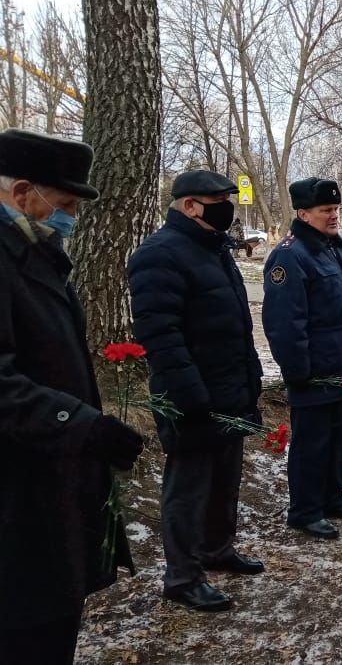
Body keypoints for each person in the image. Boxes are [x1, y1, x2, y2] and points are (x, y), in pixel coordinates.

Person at [0, 129, 145, 664]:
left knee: (52, 620)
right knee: (26, 628)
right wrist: (79, 423)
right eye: (61, 206)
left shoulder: (34, 250)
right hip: (16, 491)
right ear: (21, 193)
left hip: (46, 477)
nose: (70, 219)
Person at [128, 169, 264, 613]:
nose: (228, 206)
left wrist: (250, 374)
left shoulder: (213, 249)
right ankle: (183, 576)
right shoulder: (160, 254)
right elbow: (160, 334)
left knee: (225, 477)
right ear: (189, 205)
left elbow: (234, 323)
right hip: (191, 396)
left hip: (229, 388)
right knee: (189, 487)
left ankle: (217, 549)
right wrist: (191, 395)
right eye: (219, 200)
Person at [262, 178, 342, 540]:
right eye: (326, 210)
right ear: (303, 213)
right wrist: (299, 371)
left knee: (337, 435)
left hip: (341, 367)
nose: (333, 216)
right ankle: (305, 510)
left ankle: (332, 496)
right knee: (311, 442)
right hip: (313, 371)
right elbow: (284, 323)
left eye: (336, 209)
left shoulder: (334, 250)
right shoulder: (290, 255)